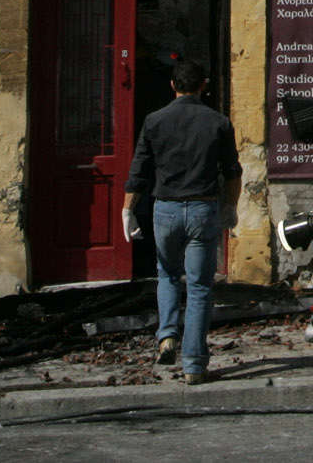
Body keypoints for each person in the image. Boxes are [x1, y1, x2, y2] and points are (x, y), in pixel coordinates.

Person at [123, 58, 242, 385]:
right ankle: (193, 365)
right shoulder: (219, 123)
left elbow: (139, 170)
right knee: (201, 286)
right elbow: (232, 171)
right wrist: (231, 207)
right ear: (203, 85)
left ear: (173, 86)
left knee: (167, 274)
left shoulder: (154, 121)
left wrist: (127, 210)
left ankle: (167, 336)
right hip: (203, 210)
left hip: (166, 210)